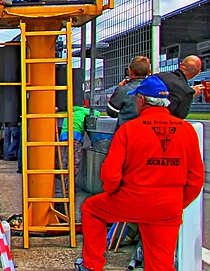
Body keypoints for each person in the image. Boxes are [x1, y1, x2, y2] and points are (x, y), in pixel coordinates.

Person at [76, 76, 204, 271]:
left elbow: (110, 174)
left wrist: (114, 193)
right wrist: (176, 203)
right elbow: (196, 179)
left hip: (131, 200)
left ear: (142, 100)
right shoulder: (187, 130)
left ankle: (92, 265)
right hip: (168, 205)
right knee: (161, 263)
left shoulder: (130, 129)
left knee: (92, 210)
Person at [107, 56, 150, 129]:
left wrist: (119, 89)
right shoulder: (153, 89)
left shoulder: (123, 90)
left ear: (130, 71)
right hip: (148, 132)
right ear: (149, 72)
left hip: (126, 131)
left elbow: (111, 112)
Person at [155, 55, 202, 119]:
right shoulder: (187, 91)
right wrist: (191, 95)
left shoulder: (157, 76)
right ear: (198, 72)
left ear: (180, 64)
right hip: (164, 123)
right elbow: (180, 117)